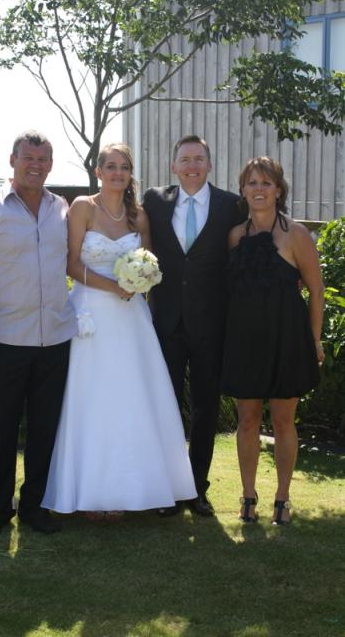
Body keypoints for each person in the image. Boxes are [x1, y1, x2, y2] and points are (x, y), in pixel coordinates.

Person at [41, 143, 197, 516]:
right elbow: (70, 263)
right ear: (98, 172)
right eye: (111, 166)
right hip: (91, 314)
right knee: (93, 397)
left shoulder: (138, 216)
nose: (117, 173)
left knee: (133, 396)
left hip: (131, 318)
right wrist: (113, 286)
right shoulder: (83, 207)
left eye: (124, 167)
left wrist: (140, 281)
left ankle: (133, 491)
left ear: (130, 173)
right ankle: (90, 493)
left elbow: (149, 264)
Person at [0, 130, 77, 536]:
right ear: (12, 160)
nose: (35, 166)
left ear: (51, 165)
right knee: (1, 429)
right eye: (28, 158)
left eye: (43, 159)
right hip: (5, 339)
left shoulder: (62, 209)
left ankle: (34, 507)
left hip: (56, 339)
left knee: (45, 429)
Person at [221, 157, 325, 524]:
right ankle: (248, 495)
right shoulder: (235, 236)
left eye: (266, 183)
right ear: (243, 190)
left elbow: (316, 291)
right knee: (247, 421)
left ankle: (282, 497)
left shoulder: (297, 235)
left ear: (278, 190)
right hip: (245, 341)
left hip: (288, 340)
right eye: (252, 183)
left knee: (283, 422)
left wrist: (314, 341)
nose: (259, 189)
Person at [143, 135, 242, 517]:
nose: (192, 166)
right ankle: (169, 488)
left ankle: (197, 489)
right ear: (173, 166)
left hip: (211, 325)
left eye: (199, 159)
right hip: (166, 323)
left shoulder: (231, 205)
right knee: (165, 406)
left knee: (205, 408)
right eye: (185, 159)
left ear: (209, 165)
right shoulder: (154, 201)